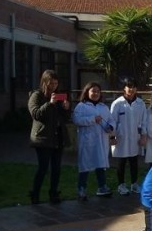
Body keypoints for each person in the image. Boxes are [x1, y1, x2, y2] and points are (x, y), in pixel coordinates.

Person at [28, 69, 71, 204]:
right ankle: (35, 194)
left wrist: (66, 108)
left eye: (56, 83)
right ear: (44, 82)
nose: (54, 86)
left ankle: (54, 194)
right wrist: (49, 103)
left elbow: (65, 118)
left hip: (58, 137)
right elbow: (36, 114)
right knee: (43, 168)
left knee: (56, 168)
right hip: (43, 138)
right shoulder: (36, 95)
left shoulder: (59, 96)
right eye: (51, 83)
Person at [72, 82, 114, 201]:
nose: (95, 93)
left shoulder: (104, 107)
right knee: (85, 165)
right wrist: (92, 119)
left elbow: (111, 120)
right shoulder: (81, 106)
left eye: (97, 91)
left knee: (100, 164)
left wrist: (110, 127)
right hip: (88, 141)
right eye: (93, 91)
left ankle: (102, 187)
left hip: (101, 140)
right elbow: (76, 120)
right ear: (87, 92)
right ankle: (82, 188)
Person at [110, 77, 148, 196]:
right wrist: (112, 137)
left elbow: (144, 121)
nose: (131, 89)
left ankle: (134, 184)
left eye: (133, 87)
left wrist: (143, 136)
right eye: (129, 86)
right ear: (124, 88)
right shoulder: (117, 103)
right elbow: (112, 121)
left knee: (134, 161)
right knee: (121, 162)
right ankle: (121, 185)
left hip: (135, 137)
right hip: (121, 137)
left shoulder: (140, 103)